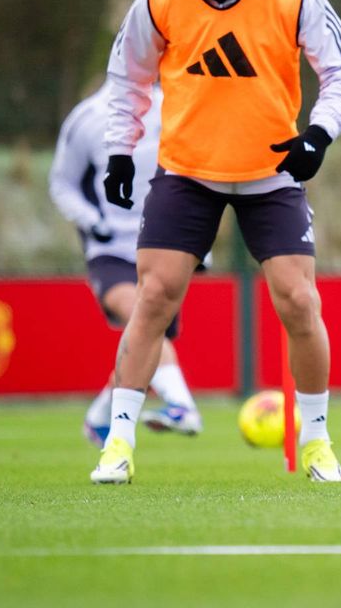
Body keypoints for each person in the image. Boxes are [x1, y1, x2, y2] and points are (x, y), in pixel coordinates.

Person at [91, 0, 341, 485]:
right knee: (154, 297)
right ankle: (118, 442)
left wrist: (317, 136)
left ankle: (319, 441)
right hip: (187, 168)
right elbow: (127, 77)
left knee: (299, 301)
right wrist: (119, 151)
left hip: (270, 168)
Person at [48, 80, 203, 446]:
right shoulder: (87, 117)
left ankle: (100, 415)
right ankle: (182, 406)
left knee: (145, 344)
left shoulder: (176, 109)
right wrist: (91, 221)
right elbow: (62, 184)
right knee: (145, 319)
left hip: (164, 245)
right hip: (110, 251)